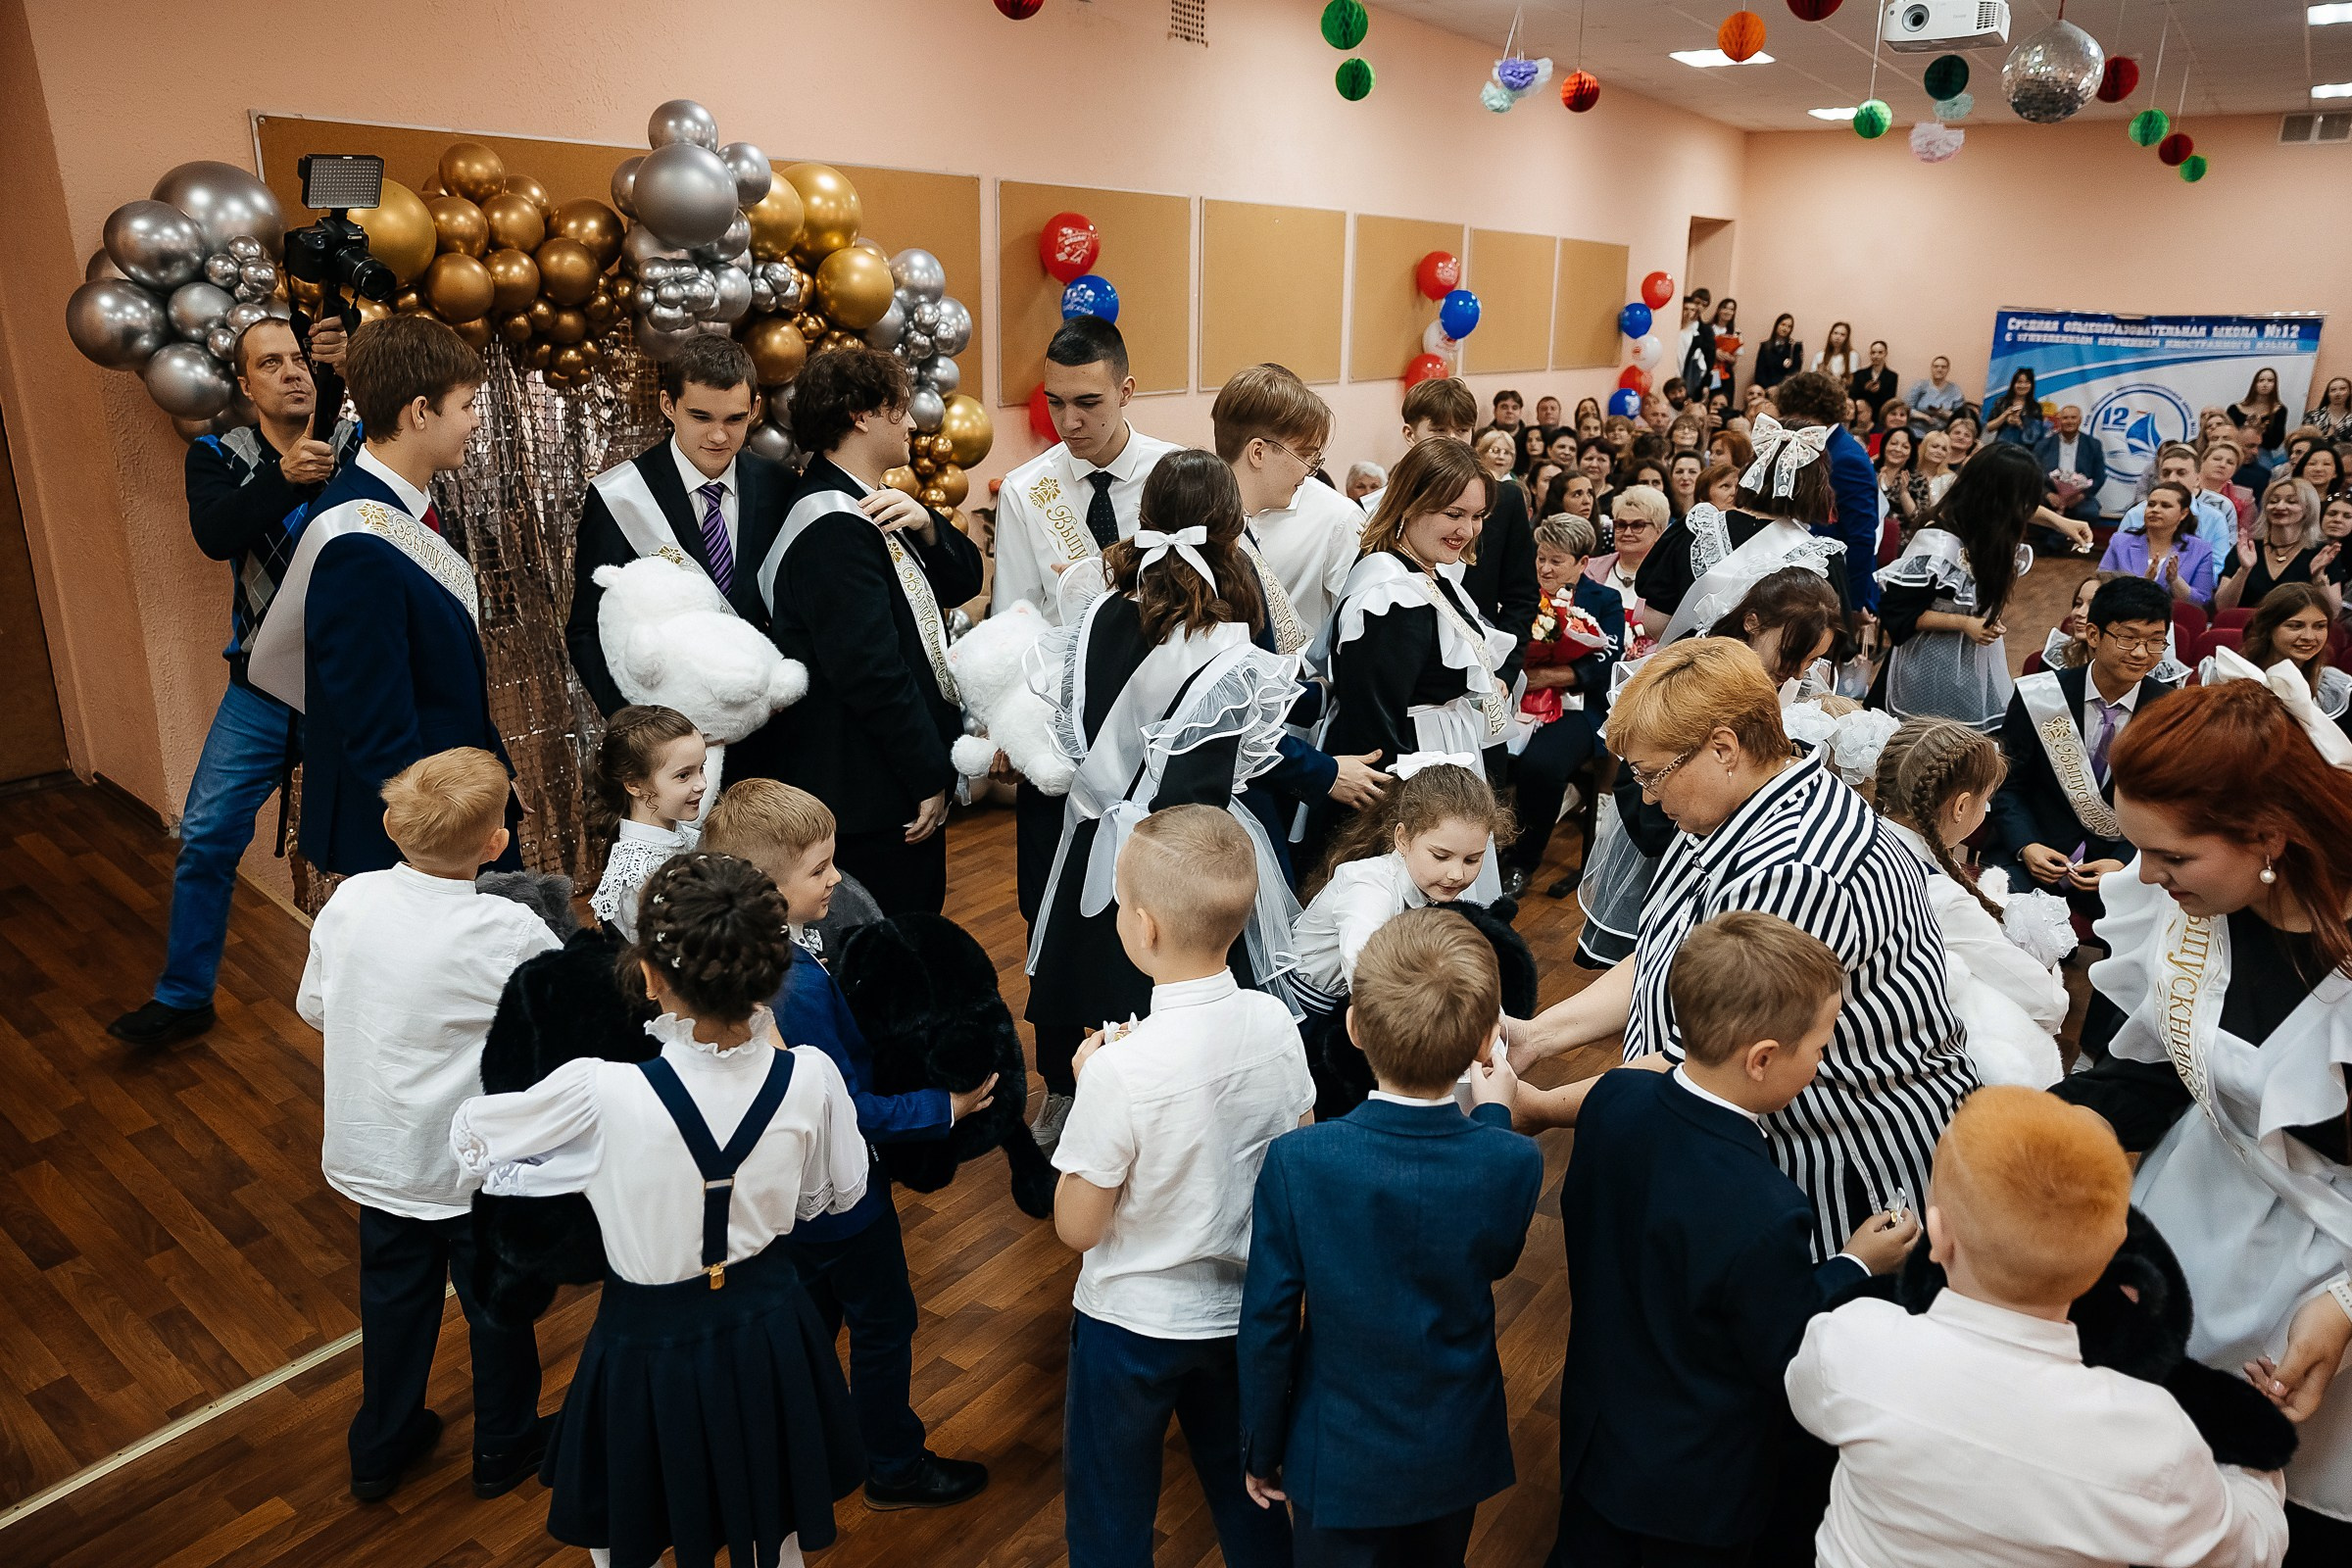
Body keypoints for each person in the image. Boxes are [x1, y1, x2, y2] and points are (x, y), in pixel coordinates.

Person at [450, 853, 868, 1568]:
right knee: (776, 1529)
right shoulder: (813, 1078)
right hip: (771, 1325)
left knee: (628, 1536)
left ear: (648, 974)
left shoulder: (600, 1093)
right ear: (773, 972)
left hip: (649, 1339)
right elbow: (830, 1195)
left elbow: (475, 1144)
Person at [1510, 639, 1976, 1256]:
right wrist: (1536, 1037)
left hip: (1833, 1168)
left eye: (1653, 775)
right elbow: (1660, 959)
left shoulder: (1794, 872)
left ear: (1724, 749)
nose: (1646, 796)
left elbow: (1697, 1070)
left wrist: (1539, 1108)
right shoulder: (1732, 808)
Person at [2050, 679, 2352, 1555]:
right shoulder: (2196, 909)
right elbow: (2155, 1074)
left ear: (2267, 838)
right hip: (2196, 1225)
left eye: (2172, 857)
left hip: (2323, 1278)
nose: (2145, 876)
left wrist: (2339, 1306)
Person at [1788, 1085, 2294, 1568]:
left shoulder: (1853, 1342)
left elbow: (1806, 1398)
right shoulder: (2151, 1436)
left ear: (1938, 1237)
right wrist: (2256, 1468)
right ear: (2112, 1260)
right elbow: (2251, 1550)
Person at [1548, 911, 1918, 1568]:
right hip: (1694, 1483)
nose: (1824, 1059)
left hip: (1597, 1432)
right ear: (1763, 1059)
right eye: (1822, 1046)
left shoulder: (1615, 1096)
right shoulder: (1768, 1209)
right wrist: (1855, 1262)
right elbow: (1781, 1344)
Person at [699, 779, 993, 1513]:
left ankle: (795, 1447)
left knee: (811, 1322)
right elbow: (845, 1111)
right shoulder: (793, 988)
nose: (837, 879)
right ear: (767, 887)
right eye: (821, 870)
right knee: (884, 1323)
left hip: (775, 1201)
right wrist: (944, 1107)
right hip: (839, 1203)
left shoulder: (734, 964)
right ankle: (891, 1460)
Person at [1238, 907, 1541, 1567]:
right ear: (1490, 1042)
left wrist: (1261, 1447)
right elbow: (1497, 1254)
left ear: (1353, 1027)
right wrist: (1494, 1113)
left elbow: (1266, 1325)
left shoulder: (1300, 1161)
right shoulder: (1511, 1158)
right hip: (1453, 1450)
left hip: (1336, 1456)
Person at [1052, 806, 1311, 1568]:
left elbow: (1077, 1227)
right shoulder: (1275, 1024)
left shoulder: (1119, 1069)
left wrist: (1087, 1081)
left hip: (1130, 1321)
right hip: (1243, 1313)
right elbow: (1295, 1147)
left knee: (1110, 1507)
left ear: (1144, 926)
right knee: (1251, 1492)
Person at [299, 748, 557, 1501]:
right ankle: (504, 1445)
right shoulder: (507, 929)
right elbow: (554, 1029)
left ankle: (380, 1447)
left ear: (390, 824)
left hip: (376, 1153)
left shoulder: (352, 900)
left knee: (391, 1300)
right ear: (495, 843)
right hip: (470, 1164)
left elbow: (315, 1007)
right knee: (496, 1303)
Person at [1023, 453, 1301, 1150]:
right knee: (1170, 993)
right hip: (1177, 852)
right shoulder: (1227, 645)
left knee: (1084, 973)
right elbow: (1209, 783)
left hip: (1092, 832)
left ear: (1144, 521)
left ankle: (1074, 1105)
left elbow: (1072, 728)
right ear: (1231, 531)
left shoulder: (1095, 617)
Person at [108, 314, 357, 1049]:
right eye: (270, 363)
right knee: (209, 835)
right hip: (263, 688)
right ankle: (186, 998)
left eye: (299, 360)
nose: (290, 371)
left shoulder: (358, 443)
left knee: (388, 838)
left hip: (351, 687)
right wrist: (283, 479)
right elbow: (216, 534)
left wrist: (349, 377)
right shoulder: (219, 453)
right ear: (244, 385)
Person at [243, 315, 517, 879]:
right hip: (422, 843)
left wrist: (500, 780)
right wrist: (442, 856)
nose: (473, 423)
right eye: (465, 406)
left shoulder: (401, 508)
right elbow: (379, 730)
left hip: (459, 804)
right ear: (420, 412)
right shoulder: (357, 544)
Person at [764, 344, 982, 917]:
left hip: (881, 782)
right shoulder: (832, 525)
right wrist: (927, 772)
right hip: (870, 794)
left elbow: (963, 581)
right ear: (861, 415)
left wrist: (928, 525)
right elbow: (872, 670)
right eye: (898, 409)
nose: (911, 421)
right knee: (894, 951)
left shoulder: (872, 506)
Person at [566, 335, 787, 777]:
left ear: (755, 408)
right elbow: (586, 630)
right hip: (669, 753)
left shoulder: (781, 486)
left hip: (771, 739)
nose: (720, 435)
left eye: (735, 418)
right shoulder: (621, 497)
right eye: (701, 416)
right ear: (668, 404)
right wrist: (640, 727)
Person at [1873, 719, 2069, 1088]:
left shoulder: (1860, 836)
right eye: (1987, 800)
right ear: (1961, 807)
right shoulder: (1938, 894)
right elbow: (2047, 1003)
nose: (1988, 810)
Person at [1321, 439, 1514, 794]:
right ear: (1411, 504)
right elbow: (1376, 728)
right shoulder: (1392, 597)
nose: (1468, 531)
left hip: (1443, 751)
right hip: (1414, 772)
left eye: (1476, 517)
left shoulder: (1425, 573)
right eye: (1453, 514)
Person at [1992, 574, 2177, 926]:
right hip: (2034, 851)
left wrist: (2123, 861)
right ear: (2094, 635)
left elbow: (2168, 807)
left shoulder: (2171, 713)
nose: (2141, 653)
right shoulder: (2041, 696)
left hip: (2119, 866)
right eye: (2128, 638)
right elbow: (2007, 783)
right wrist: (2026, 845)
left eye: (2155, 642)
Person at [1287, 760, 1513, 1021]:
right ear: (1403, 839)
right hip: (1308, 1014)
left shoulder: (1438, 886)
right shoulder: (1369, 889)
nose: (1457, 874)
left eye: (1472, 860)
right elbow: (1366, 972)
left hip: (1364, 1006)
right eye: (1441, 856)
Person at [1879, 443, 2064, 731]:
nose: (2026, 510)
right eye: (2021, 500)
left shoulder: (1987, 528)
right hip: (1926, 664)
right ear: (1996, 497)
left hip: (1972, 662)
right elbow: (1898, 615)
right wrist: (1965, 623)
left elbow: (2027, 511)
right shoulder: (1938, 542)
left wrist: (2061, 522)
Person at [1638, 412, 1851, 647]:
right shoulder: (1818, 559)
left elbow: (1655, 622)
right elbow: (1836, 646)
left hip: (1690, 678)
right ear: (1814, 485)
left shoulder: (1695, 530)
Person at [1503, 516, 1624, 894]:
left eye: (1556, 561)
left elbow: (1608, 658)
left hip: (1577, 709)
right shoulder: (1521, 591)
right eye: (1541, 558)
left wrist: (1550, 677)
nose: (1544, 568)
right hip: (1514, 702)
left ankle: (1523, 860)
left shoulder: (1605, 600)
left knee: (1541, 765)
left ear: (1582, 562)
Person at [587, 705, 705, 942]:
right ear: (634, 785)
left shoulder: (691, 838)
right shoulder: (636, 875)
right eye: (684, 775)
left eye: (701, 768)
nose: (701, 784)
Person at [1772, 370, 1882, 612]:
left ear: (1809, 410)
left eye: (1790, 413)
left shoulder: (1846, 457)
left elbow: (1861, 536)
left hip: (1830, 586)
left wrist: (1851, 604)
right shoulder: (1821, 446)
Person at [2207, 583, 2352, 729]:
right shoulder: (2228, 675)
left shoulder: (2334, 690)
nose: (2309, 636)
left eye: (2319, 626)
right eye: (2295, 626)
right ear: (2268, 628)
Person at [2218, 478, 2331, 612]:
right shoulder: (2246, 549)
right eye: (2273, 501)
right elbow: (2223, 607)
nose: (2280, 506)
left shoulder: (2322, 554)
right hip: (2246, 628)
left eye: (2291, 501)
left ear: (2308, 509)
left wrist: (2318, 578)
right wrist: (2243, 571)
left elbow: (2333, 612)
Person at [2103, 480, 2220, 608]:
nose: (2155, 510)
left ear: (2183, 514)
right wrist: (2142, 584)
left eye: (2165, 506)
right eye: (2151, 504)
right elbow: (2102, 586)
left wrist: (2175, 581)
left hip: (2175, 621)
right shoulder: (2120, 542)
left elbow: (2202, 602)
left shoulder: (2201, 550)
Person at [2121, 442, 2240, 558]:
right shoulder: (2135, 514)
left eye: (2181, 473)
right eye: (2166, 473)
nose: (2172, 479)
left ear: (2198, 479)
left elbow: (2217, 567)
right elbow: (2119, 559)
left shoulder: (2215, 519)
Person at [1588, 484, 1664, 663]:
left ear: (1659, 532)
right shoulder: (1588, 570)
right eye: (1620, 525)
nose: (1627, 532)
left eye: (1638, 525)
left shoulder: (1669, 580)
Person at [2033, 402, 2109, 530]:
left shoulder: (2093, 445)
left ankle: (2057, 542)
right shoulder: (2043, 445)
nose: (2069, 421)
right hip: (2050, 496)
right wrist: (2047, 494)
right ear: (2059, 420)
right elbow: (2033, 475)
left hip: (2080, 498)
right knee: (2034, 510)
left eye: (2073, 417)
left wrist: (2081, 495)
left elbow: (2099, 477)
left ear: (2080, 420)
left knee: (2089, 512)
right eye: (2065, 418)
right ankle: (2053, 544)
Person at [1983, 367, 2049, 449]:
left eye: (2027, 382)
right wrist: (2004, 418)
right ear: (2013, 384)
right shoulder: (2001, 402)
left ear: (2031, 385)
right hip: (2001, 450)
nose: (2022, 385)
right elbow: (1988, 427)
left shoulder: (2036, 408)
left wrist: (2020, 424)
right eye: (2019, 382)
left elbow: (2037, 435)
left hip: (2024, 453)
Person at [2231, 367, 2290, 457]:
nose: (2265, 384)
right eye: (2261, 380)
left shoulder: (2280, 410)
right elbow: (2229, 435)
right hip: (2236, 450)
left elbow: (2276, 443)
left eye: (2270, 381)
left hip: (2261, 452)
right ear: (2254, 384)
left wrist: (2259, 430)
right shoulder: (2235, 409)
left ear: (2275, 384)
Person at [2204, 440, 2259, 535]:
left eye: (2230, 462)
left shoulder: (2245, 497)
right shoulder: (2185, 489)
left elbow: (2246, 535)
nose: (2222, 465)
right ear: (2203, 461)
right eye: (2217, 459)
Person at [1904, 354, 1968, 427]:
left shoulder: (1955, 390)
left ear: (1948, 370)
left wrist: (1945, 414)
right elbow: (1906, 408)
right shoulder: (1920, 386)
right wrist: (1924, 417)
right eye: (1936, 366)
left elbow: (1959, 417)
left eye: (1943, 367)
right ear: (1931, 368)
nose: (1939, 369)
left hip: (1942, 433)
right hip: (1917, 430)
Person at [1676, 292, 1717, 397]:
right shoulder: (1674, 327)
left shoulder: (1703, 331)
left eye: (1692, 310)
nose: (1688, 312)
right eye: (1685, 309)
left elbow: (1709, 358)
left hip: (1691, 375)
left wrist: (1706, 383)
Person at [1848, 340, 1897, 423]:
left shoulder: (1892, 376)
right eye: (1873, 352)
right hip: (1859, 418)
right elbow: (1852, 397)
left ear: (1885, 354)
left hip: (1880, 418)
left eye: (1880, 352)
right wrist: (1865, 389)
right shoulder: (1859, 374)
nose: (1876, 356)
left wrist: (1879, 391)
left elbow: (1890, 402)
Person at [1754, 314, 1801, 391]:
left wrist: (1779, 388)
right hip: (1766, 389)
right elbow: (1759, 373)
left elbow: (1795, 374)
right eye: (1783, 325)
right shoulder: (1765, 346)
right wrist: (1769, 389)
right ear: (1777, 325)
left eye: (1789, 326)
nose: (1785, 329)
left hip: (1785, 391)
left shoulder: (1795, 347)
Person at [2304, 376, 2352, 440]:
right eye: (2333, 390)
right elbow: (2304, 441)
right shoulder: (2312, 416)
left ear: (2349, 392)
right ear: (2328, 394)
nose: (2337, 393)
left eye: (2342, 389)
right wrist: (2327, 437)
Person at [1810, 320, 1855, 385]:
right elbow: (1811, 379)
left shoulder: (1852, 355)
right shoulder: (1820, 355)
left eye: (1842, 335)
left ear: (1847, 338)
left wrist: (1835, 378)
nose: (1838, 337)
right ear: (1830, 335)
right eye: (1835, 333)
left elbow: (1852, 382)